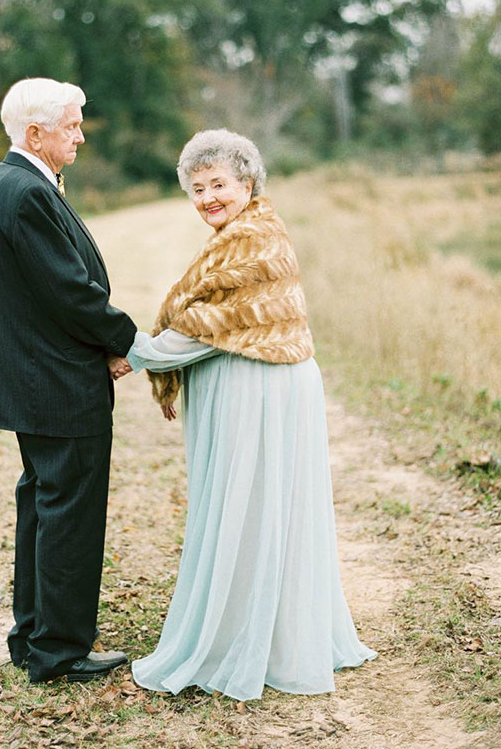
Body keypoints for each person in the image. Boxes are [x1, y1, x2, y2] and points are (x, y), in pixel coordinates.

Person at [123, 129, 376, 701]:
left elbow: (215, 328)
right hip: (251, 385)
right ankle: (258, 632)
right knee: (253, 507)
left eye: (220, 184)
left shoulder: (255, 239)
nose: (209, 197)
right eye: (197, 187)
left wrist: (137, 352)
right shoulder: (237, 234)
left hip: (260, 389)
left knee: (254, 507)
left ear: (248, 183)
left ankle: (248, 642)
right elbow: (212, 321)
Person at [0, 78, 136, 684]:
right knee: (68, 512)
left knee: (43, 508)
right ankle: (61, 650)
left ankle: (34, 636)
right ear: (35, 133)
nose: (81, 134)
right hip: (58, 383)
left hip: (38, 379)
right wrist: (124, 341)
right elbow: (68, 292)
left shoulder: (5, 184)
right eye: (71, 125)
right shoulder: (23, 193)